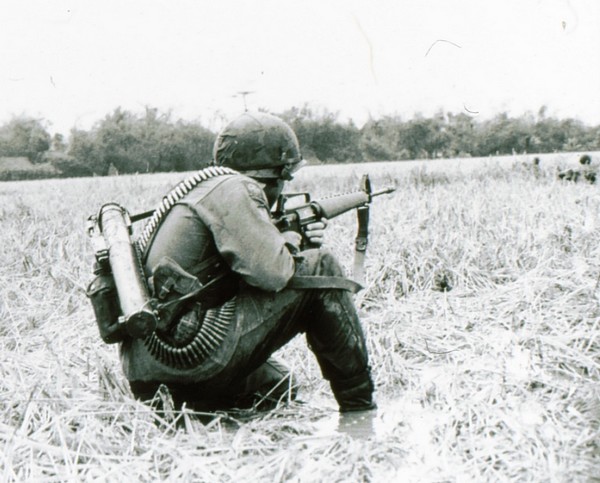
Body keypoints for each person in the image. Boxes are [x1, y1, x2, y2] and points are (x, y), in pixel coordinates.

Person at [122, 111, 376, 414]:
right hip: (188, 362)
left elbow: (230, 276)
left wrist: (286, 239)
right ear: (276, 174)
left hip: (152, 373)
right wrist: (294, 241)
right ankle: (360, 408)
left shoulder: (206, 188)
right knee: (321, 266)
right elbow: (273, 274)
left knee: (279, 385)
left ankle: (206, 415)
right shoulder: (236, 189)